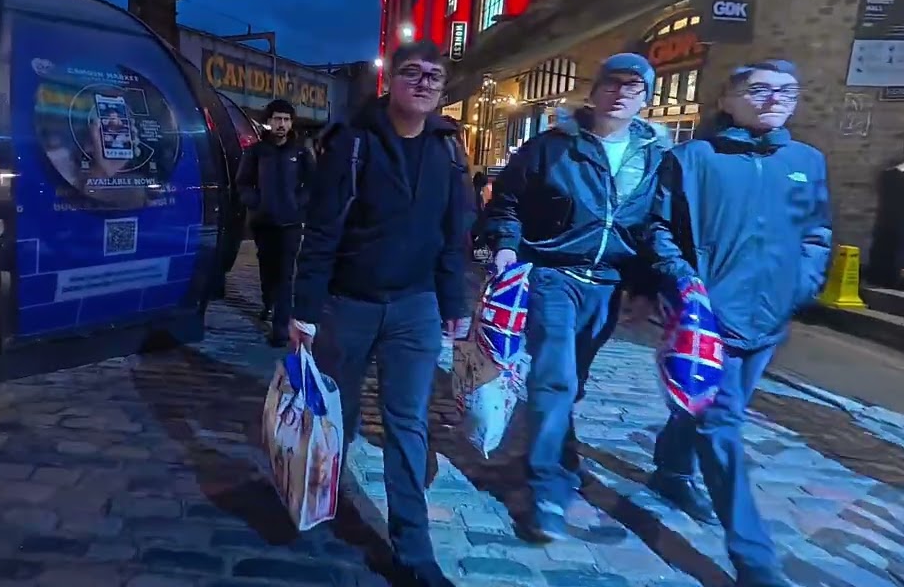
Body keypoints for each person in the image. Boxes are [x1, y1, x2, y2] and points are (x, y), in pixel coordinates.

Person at [290, 40, 470, 587]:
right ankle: (318, 503)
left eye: (433, 76)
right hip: (351, 305)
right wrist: (304, 311)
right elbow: (321, 231)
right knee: (335, 420)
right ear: (389, 80)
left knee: (408, 426)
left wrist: (455, 302)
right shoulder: (353, 142)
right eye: (411, 72)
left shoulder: (448, 148)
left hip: (415, 308)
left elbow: (452, 235)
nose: (423, 82)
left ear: (442, 88)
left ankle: (414, 554)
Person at [644, 60, 830, 587]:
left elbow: (816, 232)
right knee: (721, 423)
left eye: (787, 90)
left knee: (705, 408)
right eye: (760, 89)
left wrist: (802, 285)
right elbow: (660, 230)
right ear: (727, 99)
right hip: (708, 316)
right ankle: (754, 557)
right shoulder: (692, 159)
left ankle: (670, 470)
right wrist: (685, 283)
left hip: (769, 317)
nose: (775, 99)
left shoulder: (807, 162)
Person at [483, 53, 669, 542]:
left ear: (646, 99)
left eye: (635, 86)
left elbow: (655, 227)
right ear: (595, 90)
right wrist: (505, 245)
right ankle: (546, 488)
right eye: (613, 82)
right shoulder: (553, 147)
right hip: (553, 274)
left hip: (607, 283)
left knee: (574, 382)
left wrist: (647, 288)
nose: (622, 92)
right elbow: (508, 201)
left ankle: (558, 451)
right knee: (555, 380)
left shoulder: (653, 156)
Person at [236, 99, 314, 346]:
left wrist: (299, 203)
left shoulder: (300, 152)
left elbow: (312, 184)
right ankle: (267, 301)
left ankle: (280, 329)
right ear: (269, 122)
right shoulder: (256, 152)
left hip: (290, 224)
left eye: (286, 119)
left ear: (291, 123)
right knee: (267, 270)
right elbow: (243, 183)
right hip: (264, 223)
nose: (282, 124)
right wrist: (255, 202)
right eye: (277, 119)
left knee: (285, 276)